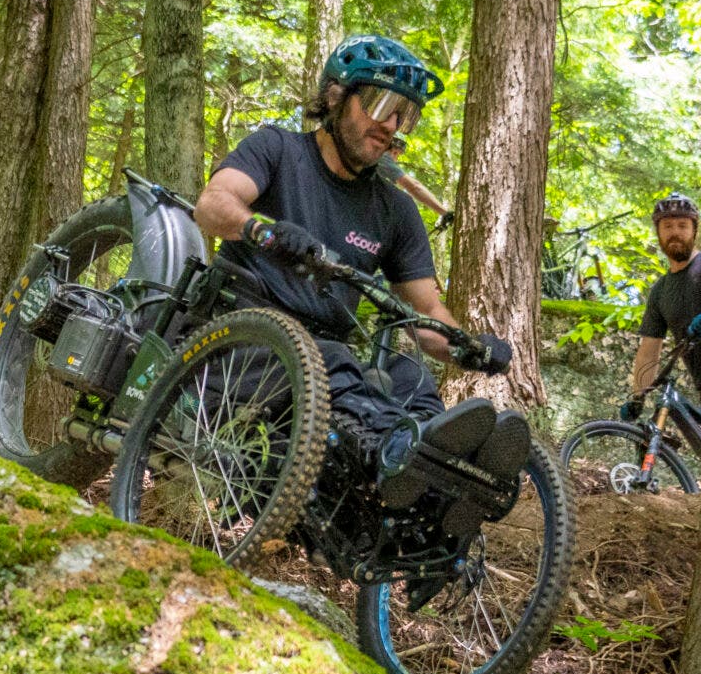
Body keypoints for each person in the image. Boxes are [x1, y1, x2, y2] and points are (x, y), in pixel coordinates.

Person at [193, 33, 525, 504]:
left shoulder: (395, 210)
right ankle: (398, 452)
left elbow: (427, 313)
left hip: (318, 358)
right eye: (381, 104)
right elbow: (212, 204)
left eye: (404, 114)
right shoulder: (277, 149)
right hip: (241, 339)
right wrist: (264, 231)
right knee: (332, 360)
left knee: (407, 374)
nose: (391, 124)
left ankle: (442, 478)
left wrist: (467, 348)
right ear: (335, 97)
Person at [620, 194, 701, 418]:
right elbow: (649, 351)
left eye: (682, 225)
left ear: (694, 231)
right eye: (668, 226)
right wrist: (637, 397)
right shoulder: (660, 291)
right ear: (658, 232)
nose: (675, 232)